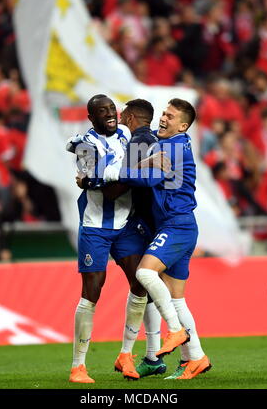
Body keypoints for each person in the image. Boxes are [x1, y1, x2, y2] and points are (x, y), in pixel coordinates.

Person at [116, 98, 212, 380]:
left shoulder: (171, 147)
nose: (163, 119)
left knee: (145, 273)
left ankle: (176, 331)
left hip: (176, 226)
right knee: (177, 299)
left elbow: (143, 180)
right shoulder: (175, 144)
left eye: (170, 116)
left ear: (183, 125)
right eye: (163, 114)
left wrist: (116, 172)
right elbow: (149, 168)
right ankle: (196, 358)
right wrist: (146, 160)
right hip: (181, 225)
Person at [66, 94, 148, 383]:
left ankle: (125, 355)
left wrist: (124, 175)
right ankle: (78, 366)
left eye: (112, 108)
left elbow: (115, 182)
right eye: (102, 111)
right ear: (91, 117)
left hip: (125, 224)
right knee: (93, 289)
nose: (110, 114)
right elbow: (109, 192)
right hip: (96, 226)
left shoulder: (127, 133)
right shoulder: (86, 146)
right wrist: (138, 173)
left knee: (141, 283)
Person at [102, 98, 167, 378]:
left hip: (145, 224)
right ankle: (158, 356)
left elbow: (120, 186)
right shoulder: (158, 140)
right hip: (164, 221)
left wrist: (99, 180)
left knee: (145, 285)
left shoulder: (138, 141)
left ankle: (155, 354)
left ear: (129, 117)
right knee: (157, 288)